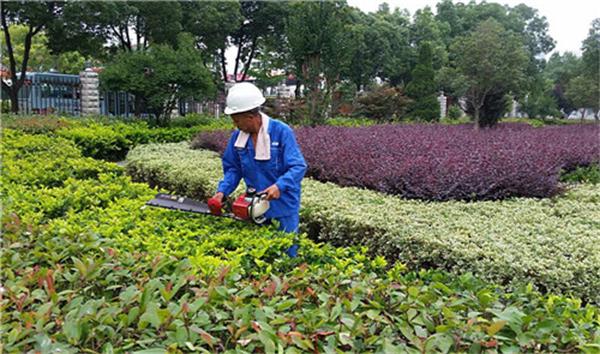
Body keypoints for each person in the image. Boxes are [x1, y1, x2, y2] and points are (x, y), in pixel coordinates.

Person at [210, 82, 307, 256]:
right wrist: (222, 192)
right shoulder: (237, 138)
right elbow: (233, 169)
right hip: (255, 206)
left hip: (283, 207)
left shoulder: (281, 132)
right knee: (260, 257)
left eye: (237, 119)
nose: (235, 124)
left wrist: (279, 186)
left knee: (286, 254)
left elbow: (298, 166)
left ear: (250, 116)